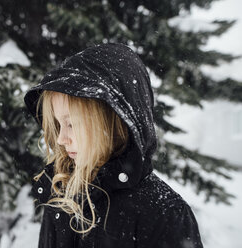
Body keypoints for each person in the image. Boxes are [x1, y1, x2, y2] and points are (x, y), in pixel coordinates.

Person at [23, 43, 203, 248]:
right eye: (58, 124)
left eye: (71, 124)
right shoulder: (63, 193)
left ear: (111, 121)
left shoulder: (164, 214)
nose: (62, 139)